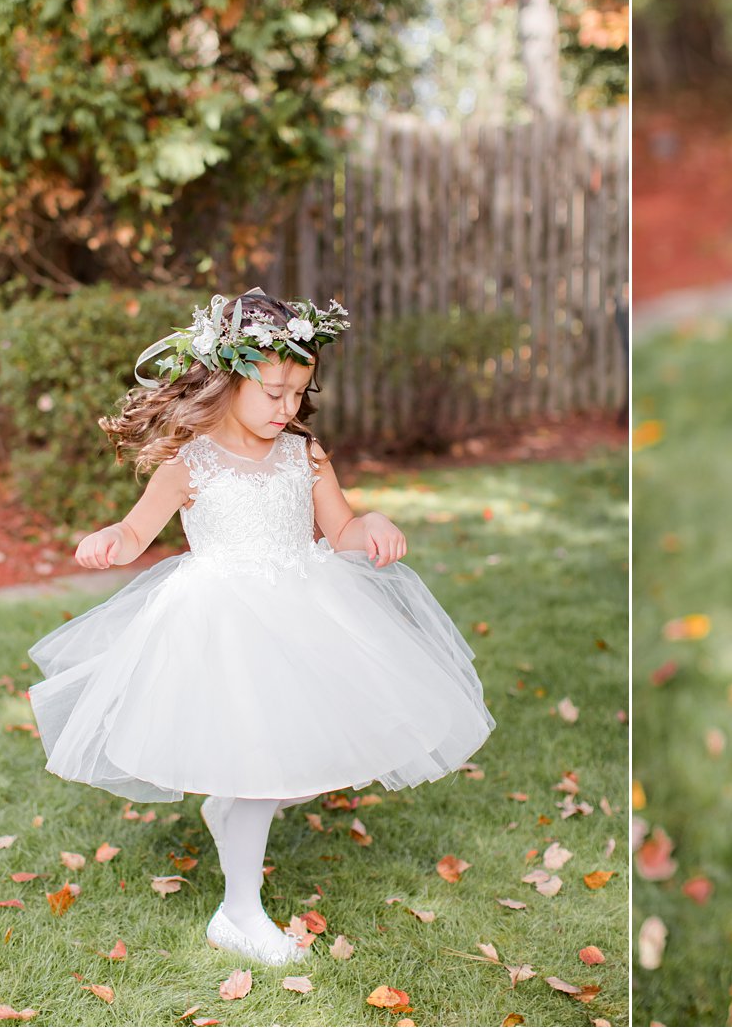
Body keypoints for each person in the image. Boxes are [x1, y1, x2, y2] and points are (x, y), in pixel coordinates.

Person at [26, 289, 494, 966]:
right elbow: (135, 530)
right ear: (228, 376)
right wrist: (111, 540)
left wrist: (374, 525)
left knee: (305, 757)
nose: (287, 408)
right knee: (259, 765)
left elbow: (341, 529)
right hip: (224, 623)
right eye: (274, 392)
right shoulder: (190, 463)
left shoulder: (305, 455)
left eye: (298, 393)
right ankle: (237, 911)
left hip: (306, 610)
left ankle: (231, 815)